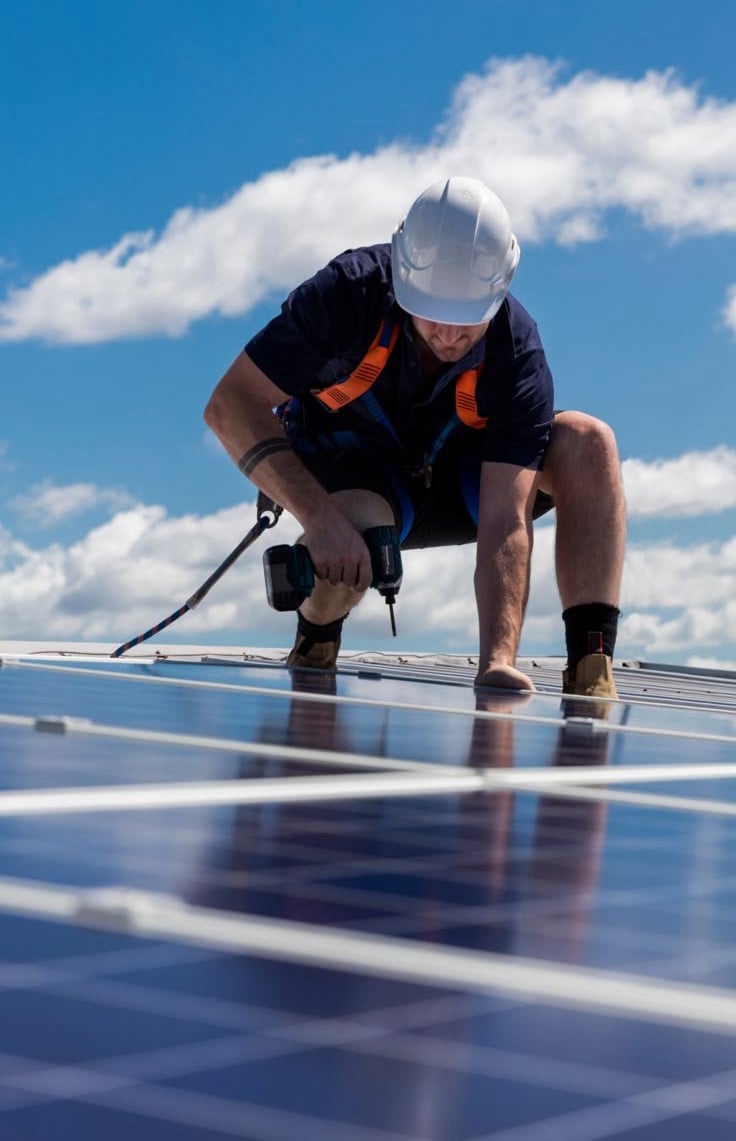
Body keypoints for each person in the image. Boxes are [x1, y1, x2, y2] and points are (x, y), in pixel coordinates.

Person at [204, 177, 626, 696]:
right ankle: (316, 640)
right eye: (433, 314)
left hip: (466, 484)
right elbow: (230, 405)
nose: (448, 335)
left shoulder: (516, 351)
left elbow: (504, 519)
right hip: (357, 472)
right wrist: (320, 519)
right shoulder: (347, 293)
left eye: (467, 320)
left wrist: (497, 662)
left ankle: (591, 668)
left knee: (589, 442)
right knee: (358, 527)